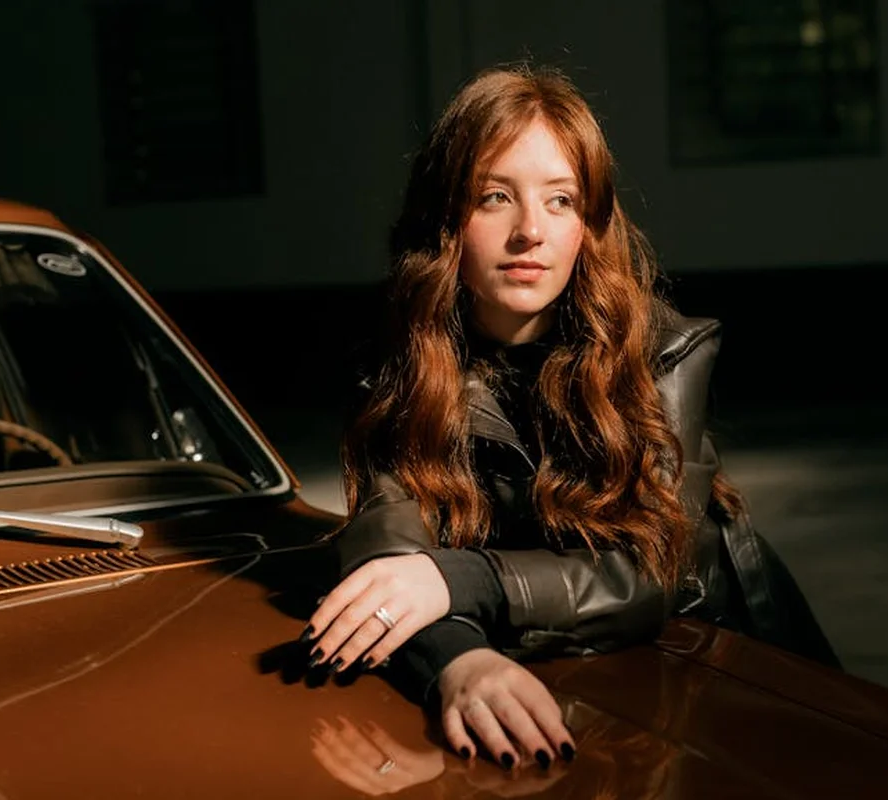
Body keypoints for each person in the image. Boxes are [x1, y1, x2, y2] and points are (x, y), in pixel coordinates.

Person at [300, 64, 838, 771]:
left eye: (561, 200)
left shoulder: (665, 351)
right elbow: (387, 555)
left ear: (590, 223)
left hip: (713, 651)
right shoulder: (398, 368)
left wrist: (463, 581)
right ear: (445, 217)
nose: (531, 231)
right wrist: (459, 664)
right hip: (564, 669)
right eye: (496, 196)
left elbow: (648, 575)